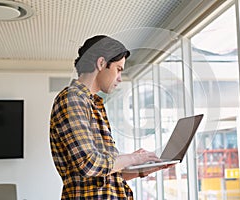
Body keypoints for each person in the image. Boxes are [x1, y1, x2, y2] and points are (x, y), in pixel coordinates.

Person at [50, 35, 174, 199]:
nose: (120, 78)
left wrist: (143, 168)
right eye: (119, 69)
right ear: (101, 63)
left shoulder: (93, 104)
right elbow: (89, 165)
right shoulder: (72, 99)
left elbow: (104, 177)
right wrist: (133, 158)